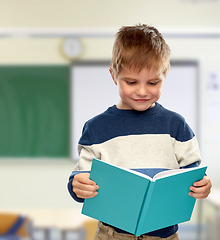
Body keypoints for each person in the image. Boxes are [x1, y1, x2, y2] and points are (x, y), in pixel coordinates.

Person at [67, 24, 212, 240]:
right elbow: (82, 175)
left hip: (164, 235)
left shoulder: (176, 125)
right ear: (114, 75)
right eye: (131, 82)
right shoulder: (96, 128)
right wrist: (77, 185)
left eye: (153, 82)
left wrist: (203, 185)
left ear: (164, 75)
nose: (142, 91)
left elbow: (192, 173)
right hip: (112, 234)